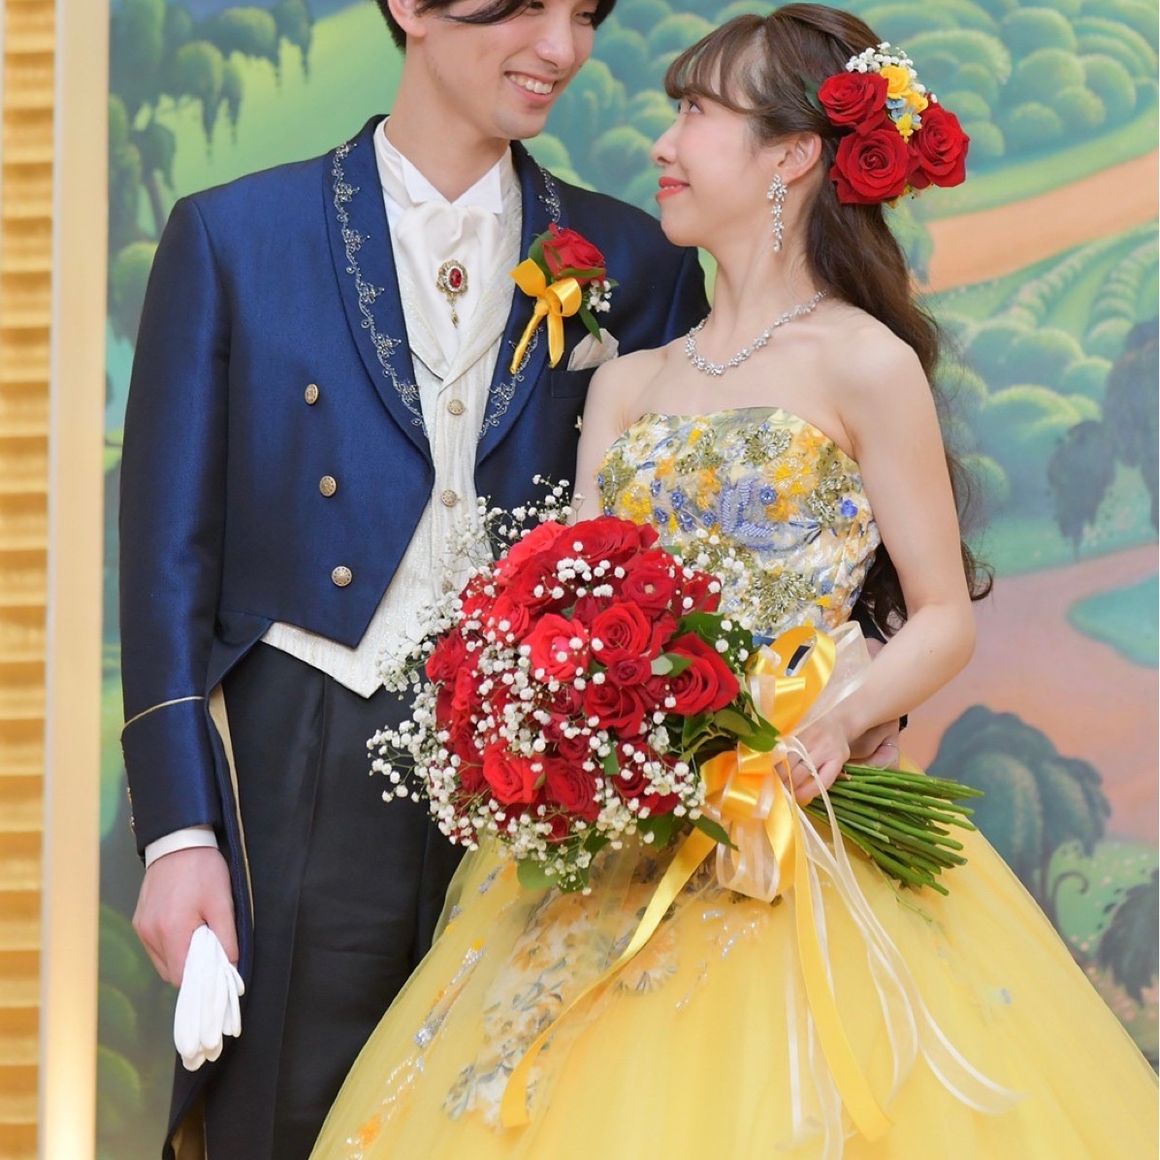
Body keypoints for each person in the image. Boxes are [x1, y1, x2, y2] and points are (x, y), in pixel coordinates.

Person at [309, 6, 1159, 1157]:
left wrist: (835, 717)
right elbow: (570, 609)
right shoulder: (627, 383)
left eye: (696, 113)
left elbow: (940, 614)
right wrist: (555, 717)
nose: (663, 143)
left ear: (792, 154)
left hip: (795, 826)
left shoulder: (864, 362)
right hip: (617, 846)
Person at [118, 0, 714, 1155]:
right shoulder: (236, 237)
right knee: (285, 1121)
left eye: (583, 13)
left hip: (542, 783)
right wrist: (178, 830)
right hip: (303, 759)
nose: (560, 48)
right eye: (525, 5)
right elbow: (165, 559)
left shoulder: (635, 260)